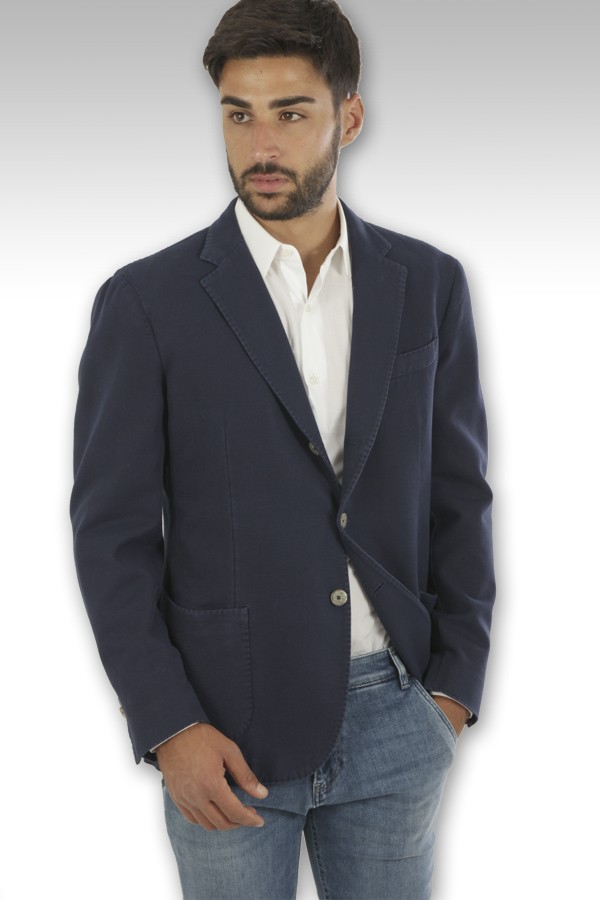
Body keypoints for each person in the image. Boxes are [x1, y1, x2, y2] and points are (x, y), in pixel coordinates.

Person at [69, 0, 495, 896]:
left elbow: (459, 496)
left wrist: (452, 693)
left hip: (397, 713)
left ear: (349, 117)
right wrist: (168, 725)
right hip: (224, 730)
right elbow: (111, 536)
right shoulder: (147, 303)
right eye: (238, 114)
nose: (260, 145)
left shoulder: (428, 285)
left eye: (291, 113)